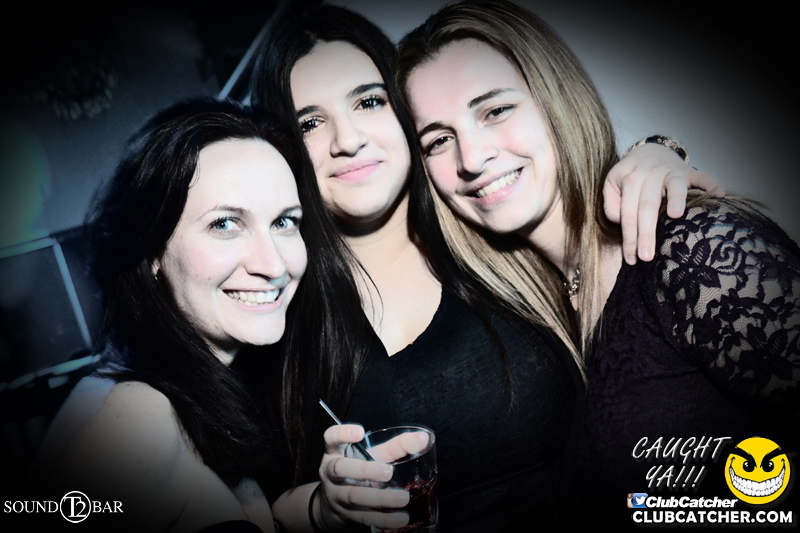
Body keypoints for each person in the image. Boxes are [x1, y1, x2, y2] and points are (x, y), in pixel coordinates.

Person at [249, 4, 725, 531]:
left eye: (368, 101)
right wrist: (320, 509)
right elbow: (260, 499)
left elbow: (585, 214)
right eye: (310, 122)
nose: (347, 140)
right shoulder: (276, 318)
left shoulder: (494, 239)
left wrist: (653, 155)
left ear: (405, 115)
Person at [395, 0, 800, 526]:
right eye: (438, 140)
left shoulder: (695, 250)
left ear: (556, 99)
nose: (471, 159)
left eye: (495, 111)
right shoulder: (535, 307)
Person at [28, 98, 349, 533]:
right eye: (225, 224)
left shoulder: (196, 390)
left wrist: (320, 511)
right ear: (152, 250)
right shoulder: (130, 423)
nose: (274, 265)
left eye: (284, 222)